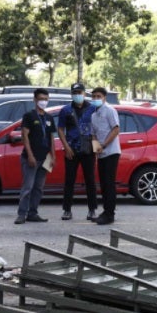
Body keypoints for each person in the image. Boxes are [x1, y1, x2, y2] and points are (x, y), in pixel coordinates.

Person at [15, 88, 56, 224]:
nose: (43, 102)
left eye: (45, 99)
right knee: (28, 187)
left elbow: (51, 138)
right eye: (40, 99)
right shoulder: (29, 116)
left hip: (45, 158)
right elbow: (24, 136)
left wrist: (53, 156)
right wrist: (30, 155)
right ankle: (21, 214)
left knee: (39, 188)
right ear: (35, 100)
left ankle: (33, 213)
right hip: (31, 158)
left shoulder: (49, 118)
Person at [57, 83, 98, 221]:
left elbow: (97, 128)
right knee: (69, 181)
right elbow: (61, 129)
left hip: (88, 150)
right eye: (75, 92)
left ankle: (92, 210)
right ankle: (67, 210)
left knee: (90, 180)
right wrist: (66, 147)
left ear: (84, 94)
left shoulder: (93, 109)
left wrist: (96, 148)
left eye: (80, 92)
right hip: (71, 150)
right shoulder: (66, 110)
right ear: (71, 94)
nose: (77, 95)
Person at [90, 86, 121, 225]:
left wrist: (104, 145)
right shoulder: (94, 115)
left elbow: (115, 129)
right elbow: (94, 133)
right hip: (101, 153)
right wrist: (96, 147)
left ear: (104, 97)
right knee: (103, 184)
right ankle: (105, 211)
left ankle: (110, 214)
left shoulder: (110, 110)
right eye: (94, 96)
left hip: (111, 152)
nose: (96, 99)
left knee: (109, 183)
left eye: (99, 96)